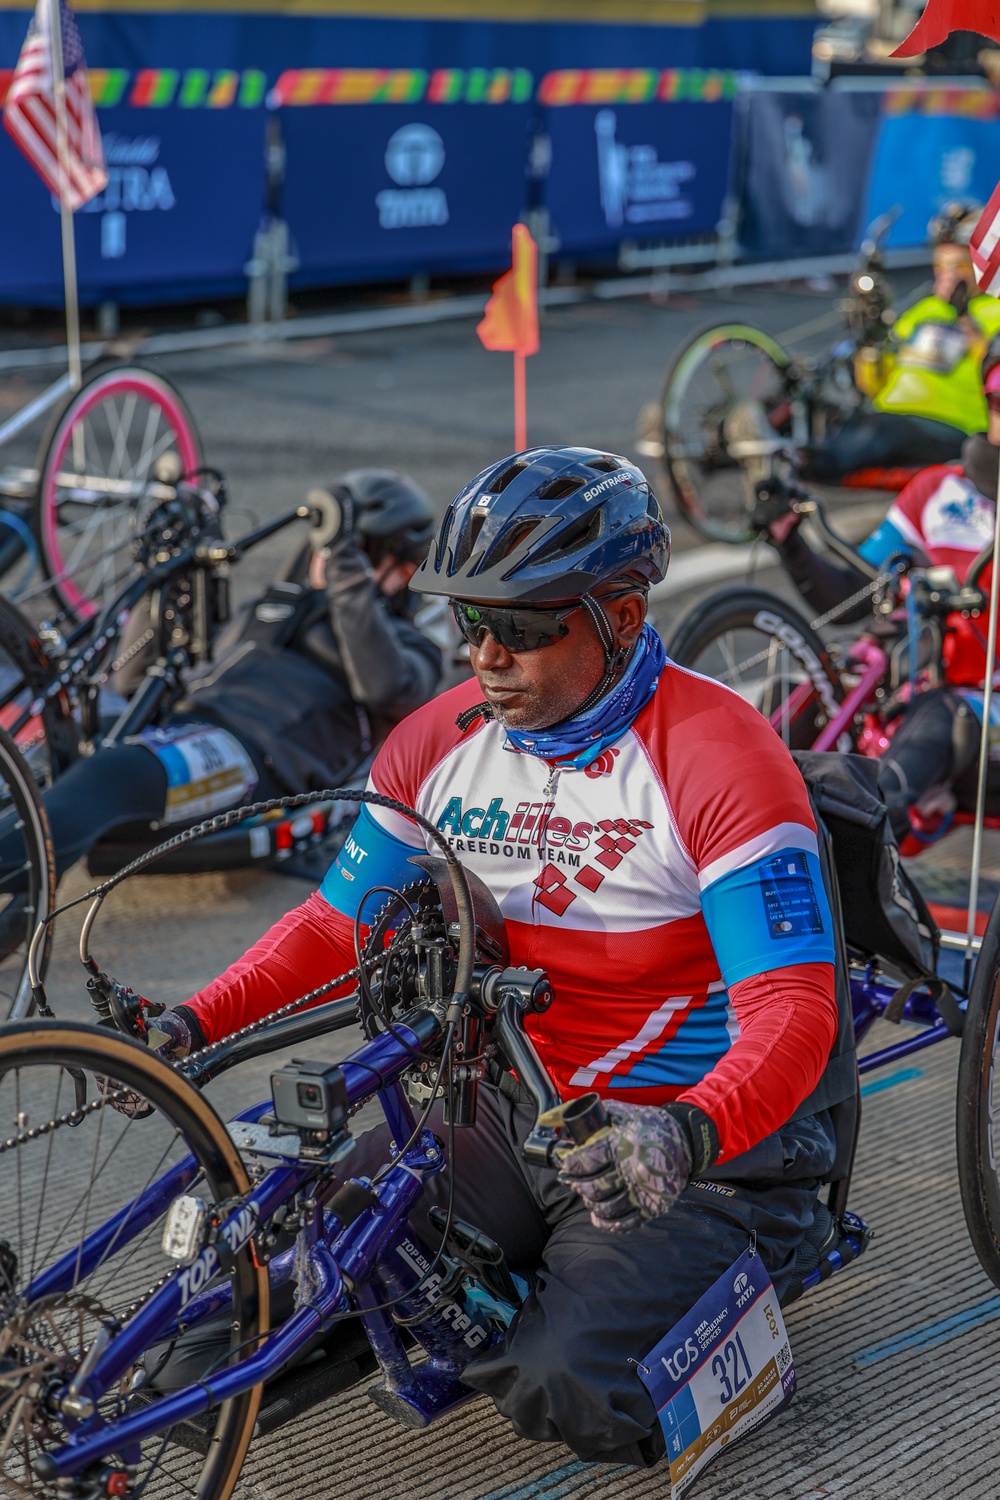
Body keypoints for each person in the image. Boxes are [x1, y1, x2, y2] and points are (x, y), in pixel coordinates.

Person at [145, 447, 847, 1468]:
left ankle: (765, 1255)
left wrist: (683, 1138)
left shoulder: (720, 755)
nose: (483, 652)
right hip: (504, 1106)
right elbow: (332, 927)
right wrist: (188, 1023)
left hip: (686, 1142)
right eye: (467, 620)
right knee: (227, 1312)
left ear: (623, 616)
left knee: (568, 1389)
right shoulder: (436, 740)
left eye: (519, 625)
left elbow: (792, 1011)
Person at [22, 468, 442, 880]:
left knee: (111, 772)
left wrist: (344, 569)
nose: (328, 554)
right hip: (176, 728)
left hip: (249, 759)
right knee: (46, 752)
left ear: (405, 571)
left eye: (358, 548)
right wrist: (167, 575)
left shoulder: (413, 646)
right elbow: (133, 682)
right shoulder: (269, 608)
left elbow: (386, 689)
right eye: (330, 541)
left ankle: (21, 870)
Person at [762, 335, 1000, 848]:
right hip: (908, 685)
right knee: (792, 703)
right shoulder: (937, 490)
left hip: (979, 710)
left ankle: (854, 847)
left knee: (944, 718)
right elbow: (852, 592)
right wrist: (791, 542)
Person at [801, 201, 1000, 484]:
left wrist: (965, 318)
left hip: (949, 427)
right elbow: (873, 385)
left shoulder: (995, 311)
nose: (947, 274)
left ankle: (800, 467)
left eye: (958, 265)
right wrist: (870, 339)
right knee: (829, 414)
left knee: (875, 433)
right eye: (940, 264)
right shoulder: (923, 310)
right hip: (889, 415)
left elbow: (993, 369)